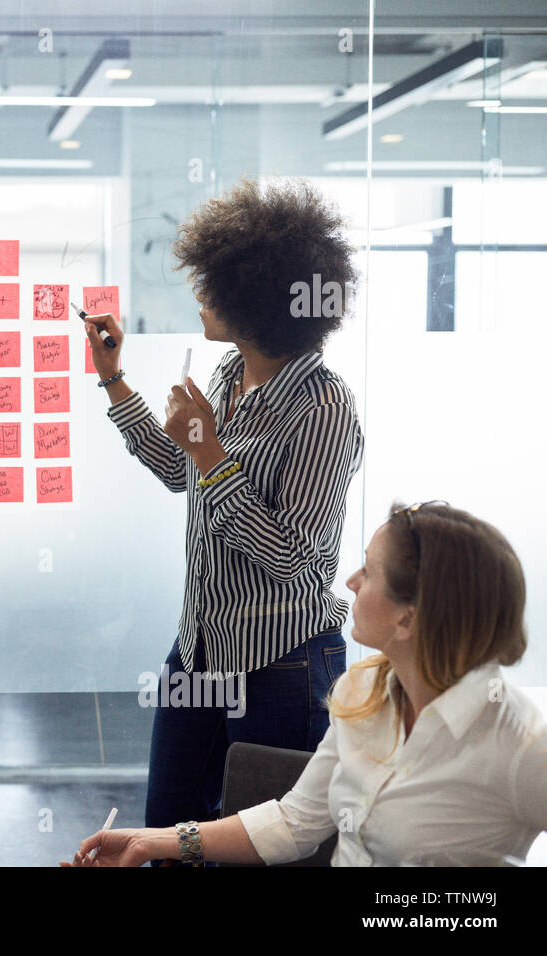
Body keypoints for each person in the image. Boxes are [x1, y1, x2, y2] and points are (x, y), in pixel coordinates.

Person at [82, 178, 363, 847]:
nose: (199, 296)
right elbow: (182, 473)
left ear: (254, 299)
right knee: (164, 838)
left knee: (270, 849)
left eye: (212, 284)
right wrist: (113, 375)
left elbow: (295, 556)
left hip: (283, 668)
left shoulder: (325, 410)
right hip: (199, 650)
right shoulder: (227, 376)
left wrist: (209, 452)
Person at [66, 503, 547, 866]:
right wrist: (150, 841)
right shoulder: (360, 693)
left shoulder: (522, 745)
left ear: (409, 618)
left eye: (369, 570)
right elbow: (297, 821)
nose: (352, 581)